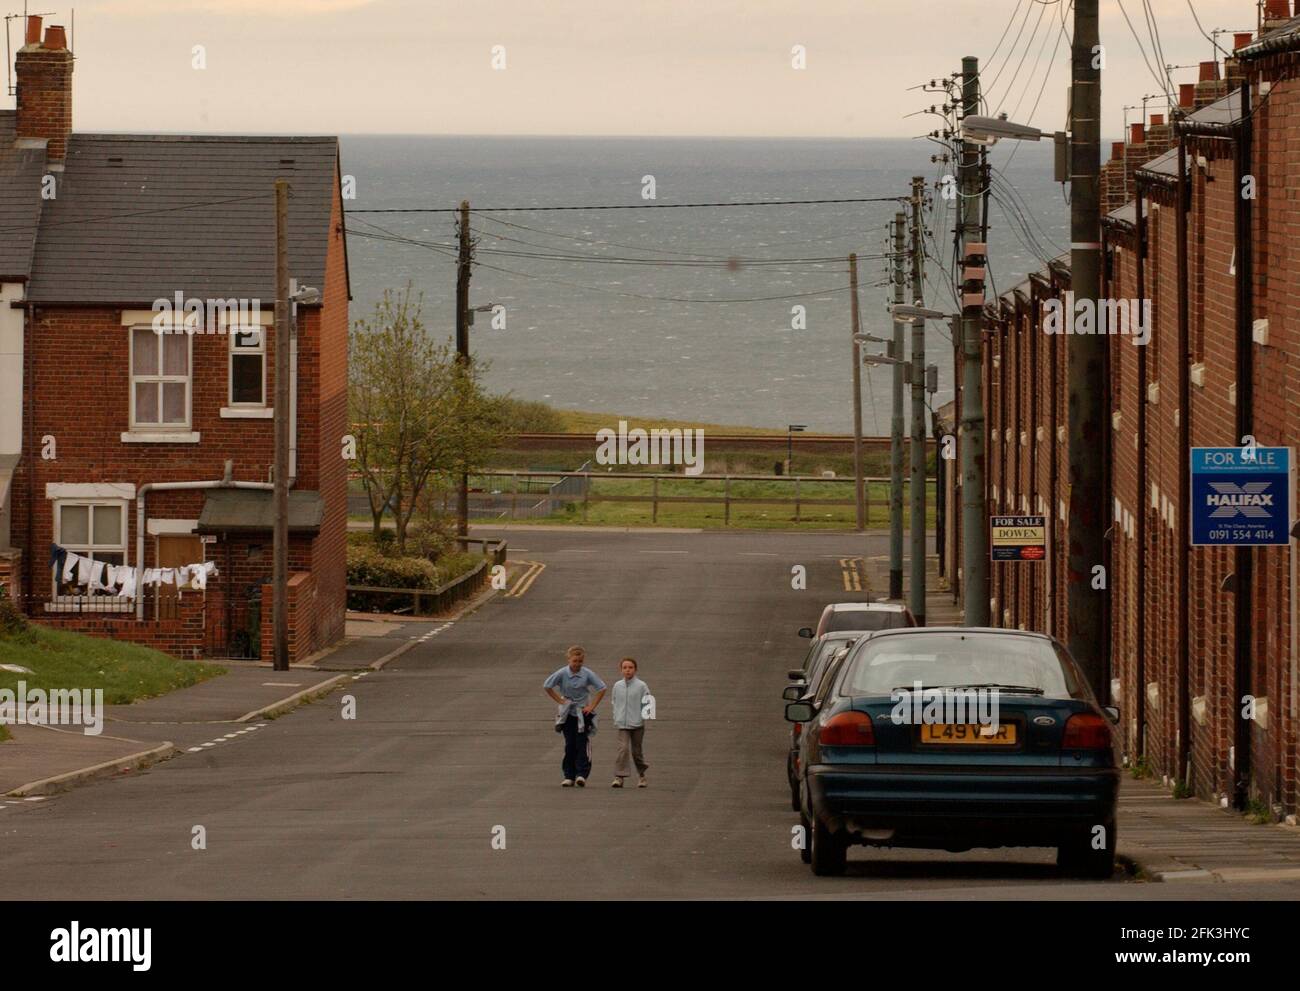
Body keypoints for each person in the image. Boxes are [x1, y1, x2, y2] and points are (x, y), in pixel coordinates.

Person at [543, 646, 606, 787]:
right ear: (569, 660)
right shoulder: (562, 673)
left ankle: (581, 774)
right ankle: (568, 775)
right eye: (574, 661)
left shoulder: (587, 673)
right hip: (567, 713)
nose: (577, 664)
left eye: (580, 661)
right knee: (570, 744)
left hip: (583, 712)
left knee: (581, 743)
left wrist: (592, 706)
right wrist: (560, 700)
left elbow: (602, 688)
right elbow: (547, 685)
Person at [610, 657, 650, 788]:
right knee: (623, 749)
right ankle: (619, 776)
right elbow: (614, 702)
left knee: (636, 752)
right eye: (625, 668)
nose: (627, 670)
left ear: (635, 669)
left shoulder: (641, 686)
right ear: (621, 670)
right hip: (622, 723)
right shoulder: (617, 686)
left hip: (637, 723)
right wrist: (616, 716)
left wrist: (645, 717)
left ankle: (642, 775)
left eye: (630, 667)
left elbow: (648, 702)